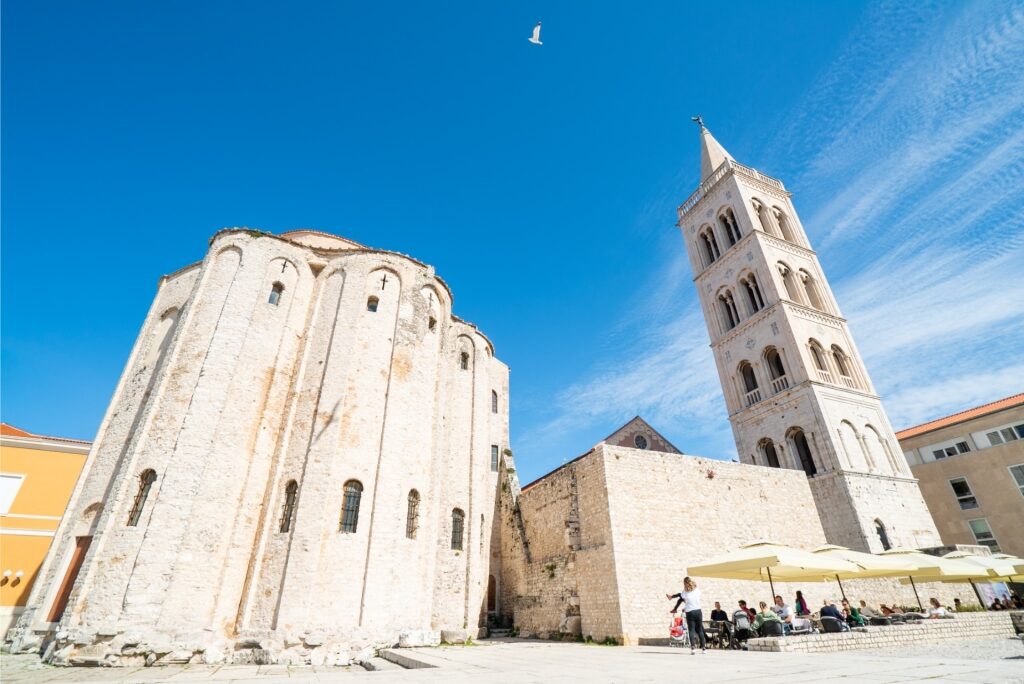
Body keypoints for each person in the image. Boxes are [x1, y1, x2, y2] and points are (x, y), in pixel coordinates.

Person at [665, 577, 706, 654]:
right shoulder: (697, 590)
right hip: (698, 611)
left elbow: (681, 597)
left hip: (690, 612)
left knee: (691, 630)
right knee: (700, 630)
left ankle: (693, 649)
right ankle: (703, 649)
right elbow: (695, 595)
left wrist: (684, 601)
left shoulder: (684, 592)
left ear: (684, 583)